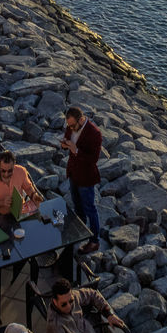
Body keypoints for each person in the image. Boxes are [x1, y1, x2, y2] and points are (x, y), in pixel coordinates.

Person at [45, 279, 126, 333]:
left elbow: (93, 294)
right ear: (54, 302)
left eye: (71, 301)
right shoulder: (54, 325)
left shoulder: (74, 296)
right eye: (64, 304)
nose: (69, 306)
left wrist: (108, 314)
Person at [61, 105, 102, 252]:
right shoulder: (71, 126)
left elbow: (93, 159)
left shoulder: (94, 133)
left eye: (72, 125)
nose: (70, 128)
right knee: (77, 207)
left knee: (90, 209)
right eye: (68, 125)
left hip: (86, 177)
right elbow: (67, 138)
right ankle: (79, 233)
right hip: (73, 173)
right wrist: (64, 144)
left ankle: (94, 241)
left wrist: (76, 150)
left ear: (81, 119)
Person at [0, 150, 42, 216]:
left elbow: (28, 188)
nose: (6, 174)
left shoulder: (21, 171)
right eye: (3, 171)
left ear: (14, 164)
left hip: (21, 211)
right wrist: (2, 203)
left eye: (10, 171)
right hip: (1, 215)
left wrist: (34, 195)